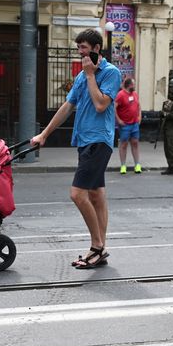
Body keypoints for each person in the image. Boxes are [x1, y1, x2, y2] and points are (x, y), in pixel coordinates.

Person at [31, 28, 121, 269]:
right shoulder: (81, 76)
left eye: (84, 48)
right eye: (78, 47)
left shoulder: (111, 73)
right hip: (83, 140)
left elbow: (101, 105)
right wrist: (44, 134)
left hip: (98, 140)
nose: (80, 52)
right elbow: (67, 107)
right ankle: (101, 247)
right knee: (96, 194)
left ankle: (96, 246)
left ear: (96, 48)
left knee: (77, 194)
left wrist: (91, 75)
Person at [114, 77, 142, 174]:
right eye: (133, 84)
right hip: (125, 124)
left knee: (135, 142)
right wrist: (118, 120)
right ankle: (123, 166)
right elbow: (114, 108)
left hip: (134, 124)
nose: (134, 86)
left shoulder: (135, 94)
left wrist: (139, 116)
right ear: (129, 85)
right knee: (124, 144)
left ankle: (137, 165)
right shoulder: (120, 95)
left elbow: (138, 105)